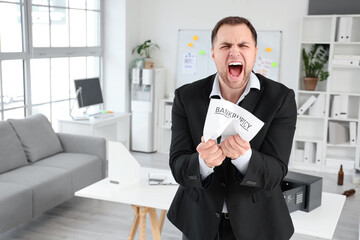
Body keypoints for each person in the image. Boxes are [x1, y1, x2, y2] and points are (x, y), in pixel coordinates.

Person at [167, 16, 297, 240]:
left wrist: (245, 158)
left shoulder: (281, 98)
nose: (234, 52)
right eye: (225, 45)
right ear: (213, 53)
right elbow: (178, 165)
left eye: (243, 45)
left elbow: (276, 172)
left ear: (255, 52)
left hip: (259, 224)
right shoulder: (186, 97)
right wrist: (202, 163)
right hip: (200, 223)